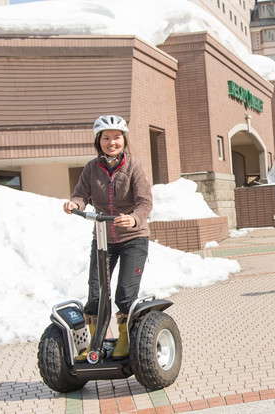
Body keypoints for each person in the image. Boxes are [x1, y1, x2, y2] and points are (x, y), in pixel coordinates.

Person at [63, 115, 153, 359]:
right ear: (98, 141)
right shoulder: (92, 168)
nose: (111, 142)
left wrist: (134, 217)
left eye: (116, 137)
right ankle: (96, 339)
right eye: (106, 138)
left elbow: (145, 202)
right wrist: (74, 203)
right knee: (96, 292)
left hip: (133, 238)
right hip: (103, 239)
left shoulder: (134, 166)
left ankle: (124, 338)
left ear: (124, 140)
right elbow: (81, 194)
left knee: (125, 293)